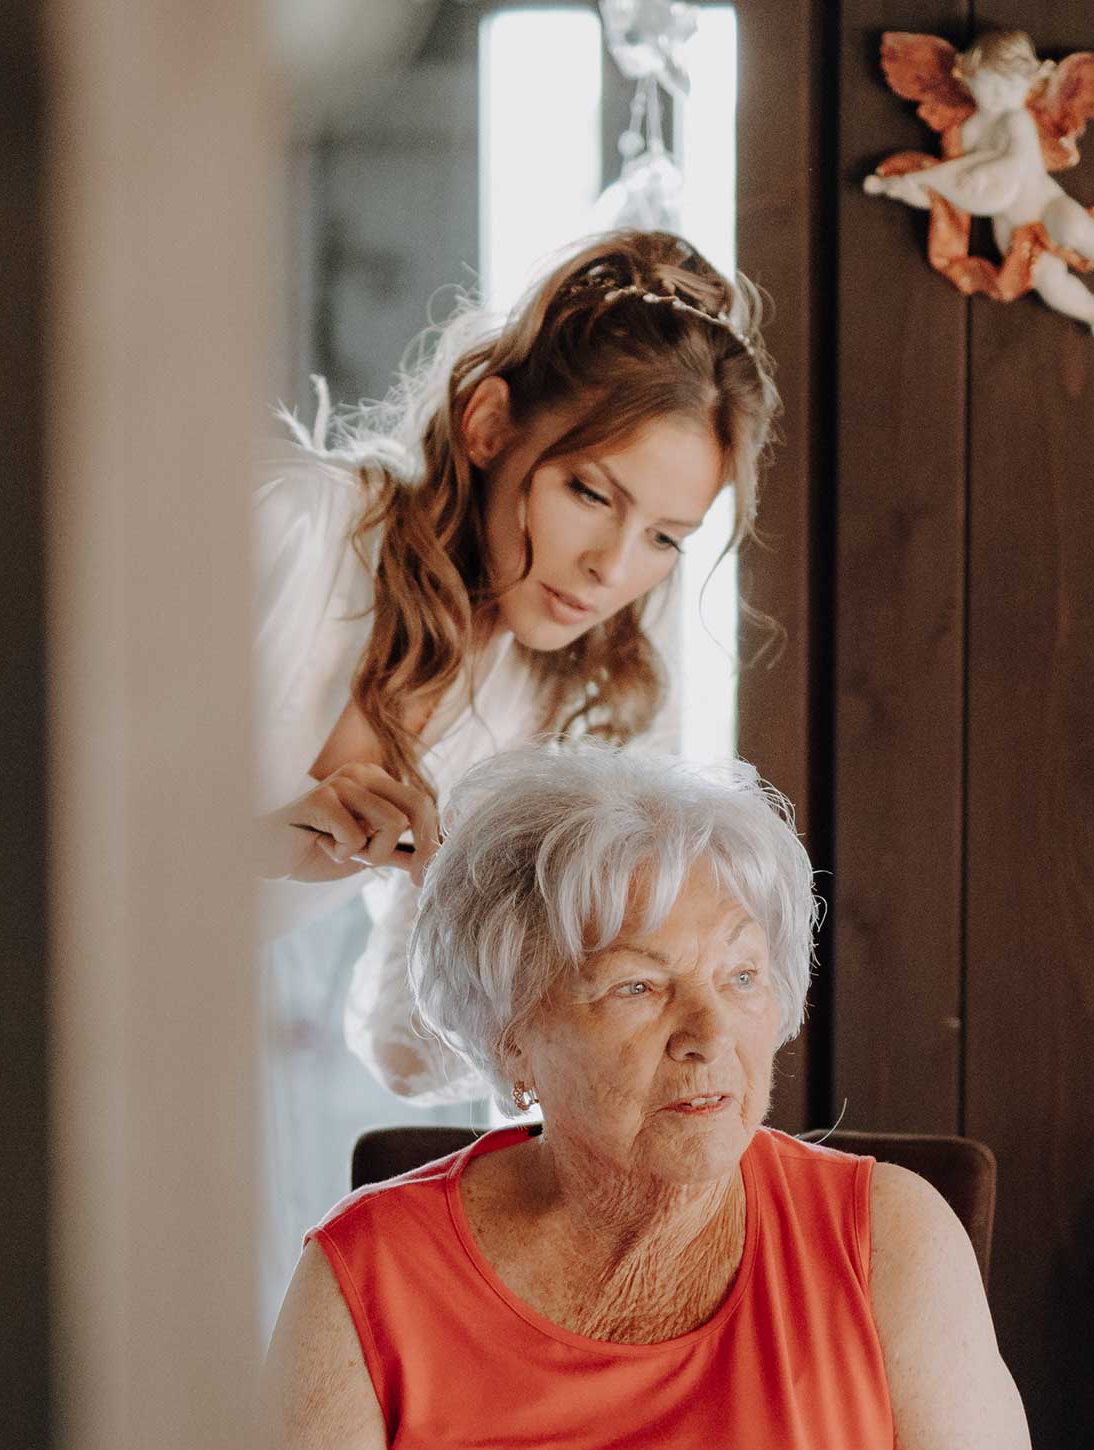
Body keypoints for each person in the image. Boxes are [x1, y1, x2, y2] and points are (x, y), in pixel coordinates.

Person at [263, 744, 1056, 1450]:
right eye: (635, 986)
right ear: (511, 1035)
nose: (706, 1036)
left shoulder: (888, 1242)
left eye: (741, 977)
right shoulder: (366, 1274)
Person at [255, 226, 778, 1103]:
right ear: (490, 424)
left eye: (662, 538)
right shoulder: (294, 531)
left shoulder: (536, 707)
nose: (613, 567)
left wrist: (449, 900)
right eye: (589, 492)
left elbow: (405, 1055)